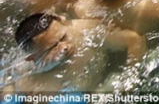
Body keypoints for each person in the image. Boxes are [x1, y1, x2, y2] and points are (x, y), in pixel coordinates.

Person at [12, 13, 145, 92]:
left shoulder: (87, 31)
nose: (64, 48)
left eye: (64, 37)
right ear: (32, 58)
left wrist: (130, 79)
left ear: (64, 22)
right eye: (52, 48)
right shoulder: (27, 79)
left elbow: (134, 40)